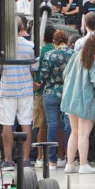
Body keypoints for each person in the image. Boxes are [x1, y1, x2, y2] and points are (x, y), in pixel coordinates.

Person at [0, 16, 38, 168]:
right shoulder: (30, 46)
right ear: (22, 28)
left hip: (7, 89)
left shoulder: (3, 47)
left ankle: (8, 160)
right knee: (26, 123)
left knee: (7, 124)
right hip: (25, 89)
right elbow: (34, 69)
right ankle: (25, 160)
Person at [61, 34, 95, 174]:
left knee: (74, 133)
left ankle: (70, 163)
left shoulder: (74, 57)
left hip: (71, 99)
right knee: (84, 135)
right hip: (87, 101)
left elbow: (65, 74)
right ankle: (84, 164)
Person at [36, 30, 75, 170]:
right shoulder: (73, 55)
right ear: (67, 40)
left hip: (50, 92)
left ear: (54, 42)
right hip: (68, 93)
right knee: (68, 125)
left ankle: (51, 160)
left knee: (52, 125)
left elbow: (43, 76)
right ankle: (66, 158)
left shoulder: (48, 55)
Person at [32, 25, 55, 168]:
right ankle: (59, 155)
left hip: (40, 92)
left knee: (41, 125)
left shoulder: (38, 52)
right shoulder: (55, 51)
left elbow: (33, 70)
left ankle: (40, 156)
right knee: (56, 124)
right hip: (55, 90)